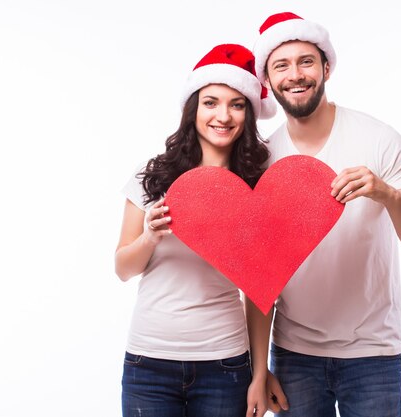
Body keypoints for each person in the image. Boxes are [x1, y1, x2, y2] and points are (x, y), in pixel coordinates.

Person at [244, 12, 401, 417]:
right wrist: (259, 369)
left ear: (326, 68)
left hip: (373, 353)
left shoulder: (379, 140)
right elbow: (259, 278)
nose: (295, 74)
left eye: (306, 61)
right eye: (281, 65)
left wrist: (386, 193)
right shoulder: (261, 161)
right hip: (295, 353)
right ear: (268, 79)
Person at [114, 43, 276, 417]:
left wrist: (258, 372)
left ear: (249, 115)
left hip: (225, 363)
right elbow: (123, 268)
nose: (224, 115)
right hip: (148, 362)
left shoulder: (255, 184)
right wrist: (150, 236)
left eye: (237, 105)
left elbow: (260, 288)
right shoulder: (152, 175)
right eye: (211, 102)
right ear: (193, 109)